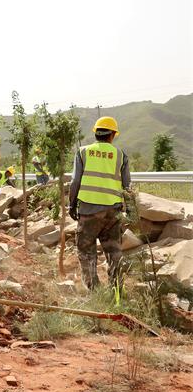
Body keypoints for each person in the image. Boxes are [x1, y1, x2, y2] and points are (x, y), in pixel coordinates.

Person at [69, 117, 131, 296]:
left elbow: (75, 181)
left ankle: (95, 293)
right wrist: (130, 210)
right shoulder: (120, 155)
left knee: (86, 251)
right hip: (113, 213)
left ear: (96, 133)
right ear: (112, 135)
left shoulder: (83, 152)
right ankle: (117, 293)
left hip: (89, 211)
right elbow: (127, 186)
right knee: (114, 253)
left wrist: (71, 205)